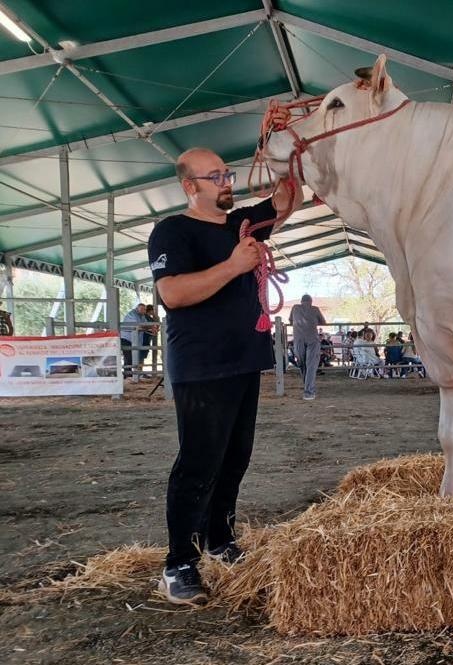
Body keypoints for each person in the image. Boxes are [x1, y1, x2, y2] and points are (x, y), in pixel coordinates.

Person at [147, 146, 301, 605]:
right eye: (215, 177)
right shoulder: (172, 231)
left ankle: (219, 539)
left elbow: (285, 201)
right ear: (190, 186)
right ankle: (178, 564)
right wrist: (234, 266)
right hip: (201, 365)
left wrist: (282, 157)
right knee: (198, 464)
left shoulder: (243, 224)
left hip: (242, 359)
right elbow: (172, 293)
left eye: (227, 173)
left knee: (235, 458)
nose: (226, 182)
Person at [288, 294, 326, 400]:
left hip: (298, 340)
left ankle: (307, 387)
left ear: (301, 301)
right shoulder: (315, 309)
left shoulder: (295, 308)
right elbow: (323, 322)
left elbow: (290, 320)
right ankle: (309, 391)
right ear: (311, 301)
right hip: (312, 340)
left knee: (302, 364)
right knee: (311, 365)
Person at [119, 303, 150, 377]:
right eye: (142, 309)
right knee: (128, 358)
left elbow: (146, 325)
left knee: (133, 357)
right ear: (137, 308)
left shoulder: (142, 316)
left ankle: (131, 375)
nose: (144, 311)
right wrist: (145, 327)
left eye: (145, 309)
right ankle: (128, 375)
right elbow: (138, 326)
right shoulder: (132, 314)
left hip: (134, 340)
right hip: (126, 339)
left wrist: (147, 327)